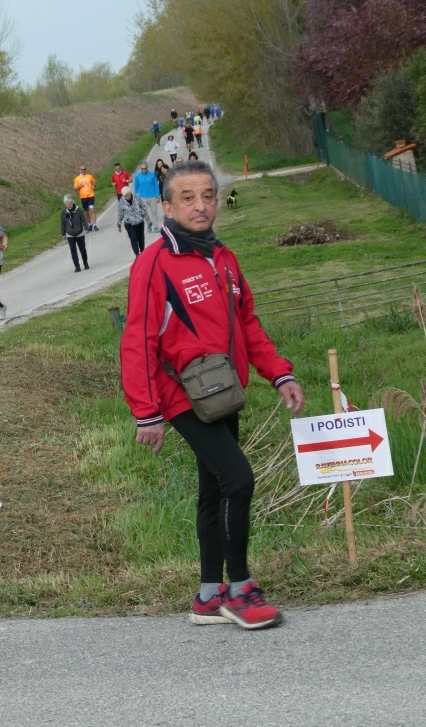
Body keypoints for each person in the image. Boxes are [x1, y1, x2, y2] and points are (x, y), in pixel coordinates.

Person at [120, 161, 305, 630]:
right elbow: (137, 340)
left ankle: (207, 596)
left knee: (215, 489)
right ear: (167, 207)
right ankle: (240, 590)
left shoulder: (223, 257)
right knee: (238, 480)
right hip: (182, 394)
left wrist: (279, 374)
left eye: (208, 195)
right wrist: (147, 413)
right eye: (187, 198)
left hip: (223, 391)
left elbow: (247, 323)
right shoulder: (154, 263)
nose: (200, 206)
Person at [60, 194, 89, 272]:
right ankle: (77, 266)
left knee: (82, 249)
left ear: (72, 202)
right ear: (65, 204)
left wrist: (86, 228)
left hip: (79, 233)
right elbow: (63, 223)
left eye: (70, 204)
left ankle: (85, 263)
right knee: (73, 250)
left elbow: (83, 219)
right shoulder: (63, 212)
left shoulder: (78, 209)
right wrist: (63, 233)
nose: (69, 206)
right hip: (70, 234)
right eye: (67, 204)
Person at [116, 185, 147, 256]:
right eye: (125, 196)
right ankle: (137, 254)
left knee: (141, 238)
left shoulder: (137, 197)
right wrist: (119, 224)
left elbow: (143, 207)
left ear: (130, 193)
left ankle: (142, 252)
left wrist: (141, 215)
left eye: (128, 195)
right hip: (129, 223)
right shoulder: (122, 201)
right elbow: (120, 213)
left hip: (139, 222)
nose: (127, 197)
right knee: (133, 239)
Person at [133, 161, 161, 234]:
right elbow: (135, 188)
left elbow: (156, 185)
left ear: (147, 167)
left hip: (152, 196)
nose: (144, 169)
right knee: (144, 212)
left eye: (145, 168)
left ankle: (155, 226)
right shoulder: (137, 176)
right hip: (142, 197)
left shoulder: (152, 175)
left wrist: (157, 196)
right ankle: (149, 223)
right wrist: (135, 198)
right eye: (142, 168)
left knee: (154, 212)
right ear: (140, 168)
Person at [73, 165, 98, 231]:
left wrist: (93, 185)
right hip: (83, 197)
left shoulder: (89, 176)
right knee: (86, 212)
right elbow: (75, 188)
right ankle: (90, 224)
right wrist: (79, 186)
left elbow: (94, 182)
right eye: (82, 169)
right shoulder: (77, 178)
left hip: (90, 195)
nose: (83, 170)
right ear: (79, 170)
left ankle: (95, 225)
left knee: (92, 209)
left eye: (84, 169)